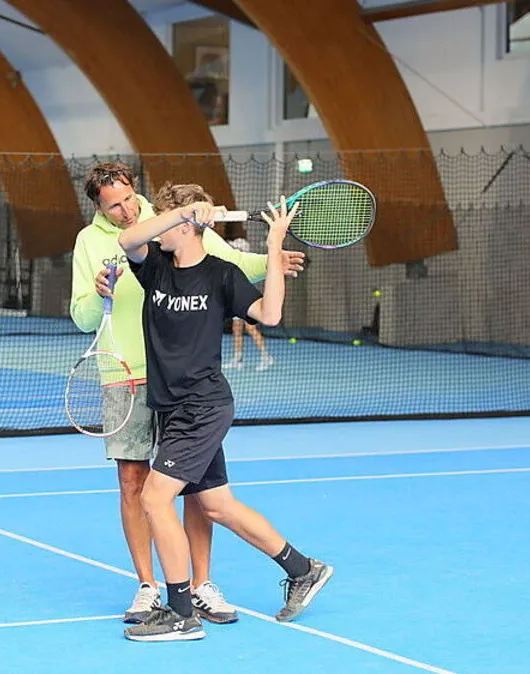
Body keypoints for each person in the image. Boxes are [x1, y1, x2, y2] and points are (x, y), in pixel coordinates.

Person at [69, 162, 306, 625]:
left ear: (133, 190)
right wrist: (104, 291)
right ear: (98, 205)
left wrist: (273, 255)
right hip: (138, 380)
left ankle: (192, 596)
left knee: (185, 497)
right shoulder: (142, 252)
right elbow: (115, 264)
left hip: (195, 396)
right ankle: (154, 587)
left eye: (125, 200)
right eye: (110, 205)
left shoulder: (196, 252)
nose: (122, 210)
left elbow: (236, 276)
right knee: (168, 493)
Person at [117, 183, 332, 642]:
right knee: (216, 505)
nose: (160, 225)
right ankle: (302, 569)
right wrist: (181, 214)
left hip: (204, 405)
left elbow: (269, 314)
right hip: (172, 409)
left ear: (191, 225)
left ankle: (180, 613)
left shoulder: (222, 274)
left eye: (168, 216)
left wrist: (274, 246)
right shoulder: (154, 268)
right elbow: (127, 239)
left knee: (154, 499)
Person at [223, 230, 274, 371]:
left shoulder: (242, 258)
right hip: (233, 297)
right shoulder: (231, 259)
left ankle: (266, 356)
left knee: (251, 328)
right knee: (236, 329)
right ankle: (238, 358)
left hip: (244, 299)